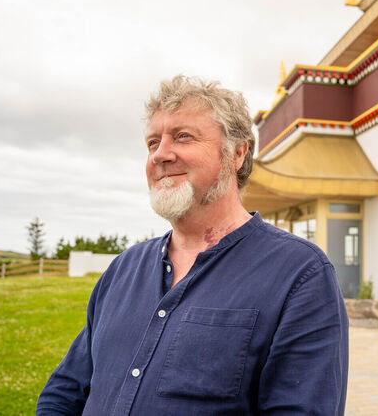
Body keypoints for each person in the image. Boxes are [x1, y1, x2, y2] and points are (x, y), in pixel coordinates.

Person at [37, 75, 349, 415]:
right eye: (152, 143)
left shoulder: (300, 275)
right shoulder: (122, 269)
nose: (160, 155)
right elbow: (65, 392)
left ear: (238, 153)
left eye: (182, 137)